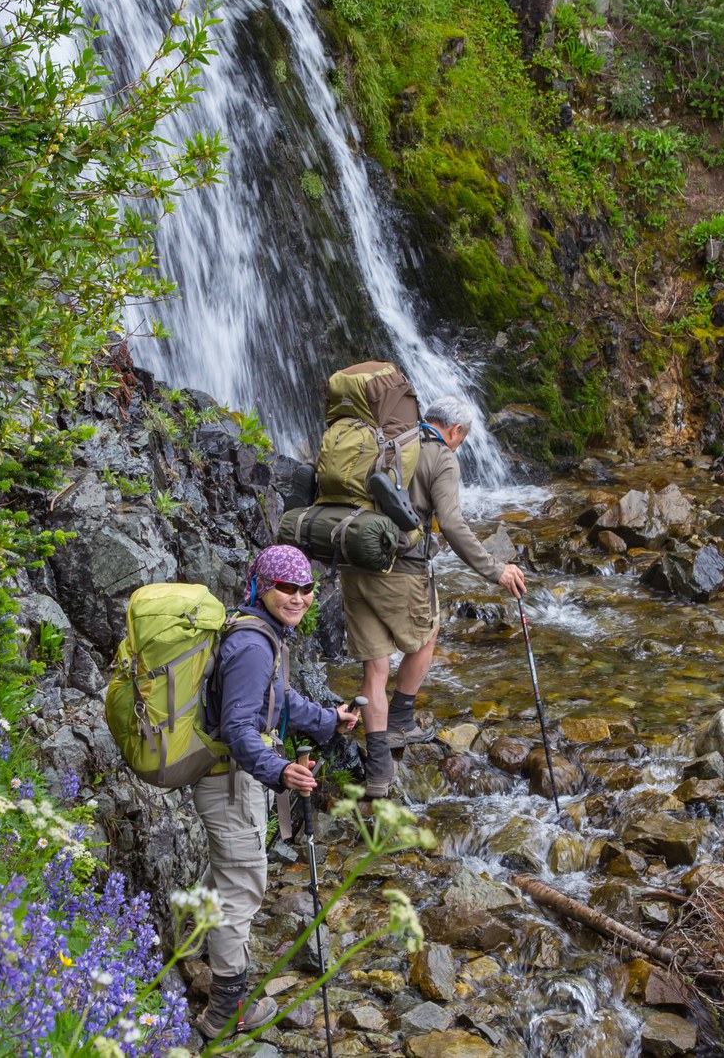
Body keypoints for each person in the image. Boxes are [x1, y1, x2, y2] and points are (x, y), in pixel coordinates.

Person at [192, 545, 361, 1044]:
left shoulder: (259, 632)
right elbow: (238, 728)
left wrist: (328, 720)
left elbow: (277, 697)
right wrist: (281, 770)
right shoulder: (253, 645)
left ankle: (188, 950)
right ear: (262, 587)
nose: (299, 597)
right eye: (286, 587)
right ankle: (225, 1012)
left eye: (306, 587)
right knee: (241, 892)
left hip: (232, 777)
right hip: (230, 782)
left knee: (226, 872)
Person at [344, 394, 526, 797]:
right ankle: (400, 720)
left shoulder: (382, 443)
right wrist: (495, 570)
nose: (459, 445)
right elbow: (453, 524)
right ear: (455, 430)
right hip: (401, 569)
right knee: (428, 633)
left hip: (353, 562)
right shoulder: (440, 456)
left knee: (374, 669)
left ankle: (378, 772)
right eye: (462, 439)